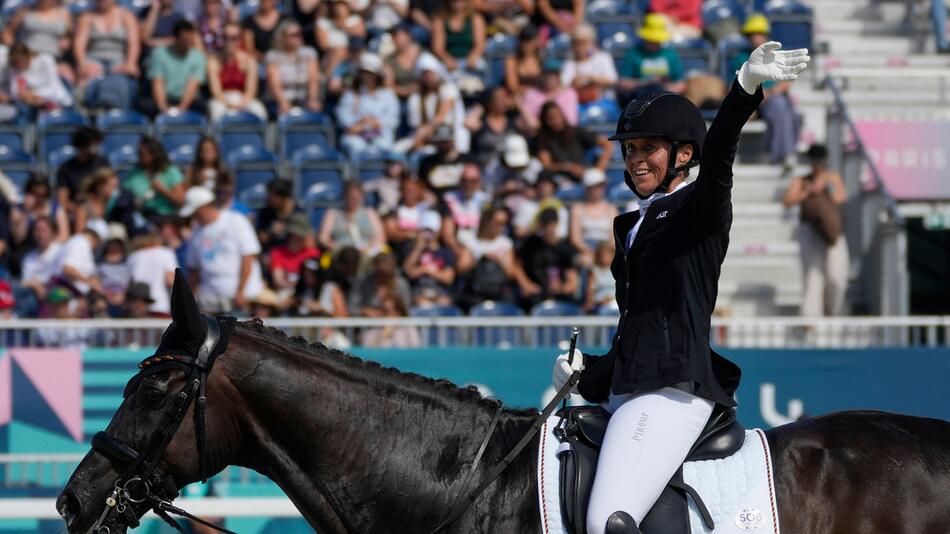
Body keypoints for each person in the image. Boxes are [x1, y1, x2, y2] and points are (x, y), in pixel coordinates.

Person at [550, 41, 809, 534]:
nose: (635, 159)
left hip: (670, 393)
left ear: (684, 153)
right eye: (630, 150)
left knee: (609, 520)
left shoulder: (699, 210)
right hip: (628, 390)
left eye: (647, 148)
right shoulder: (631, 224)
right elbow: (640, 328)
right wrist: (587, 374)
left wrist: (743, 90)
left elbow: (721, 160)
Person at [782, 144, 849, 317]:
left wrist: (825, 186)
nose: (816, 164)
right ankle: (811, 319)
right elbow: (788, 201)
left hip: (832, 232)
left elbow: (840, 197)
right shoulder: (801, 180)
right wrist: (808, 192)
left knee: (837, 277)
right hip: (810, 230)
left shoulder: (832, 178)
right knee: (813, 276)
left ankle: (834, 312)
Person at [731, 15, 800, 169]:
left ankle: (780, 154)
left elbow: (787, 81)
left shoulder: (776, 56)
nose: (756, 38)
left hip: (771, 99)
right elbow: (735, 84)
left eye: (759, 34)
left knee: (792, 112)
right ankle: (782, 155)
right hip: (750, 101)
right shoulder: (740, 58)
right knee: (781, 106)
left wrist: (769, 93)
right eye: (752, 34)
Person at [181, 185, 264, 313]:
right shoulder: (196, 232)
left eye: (195, 211)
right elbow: (194, 271)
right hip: (211, 301)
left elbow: (248, 257)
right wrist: (187, 301)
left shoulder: (235, 221)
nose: (193, 216)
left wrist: (241, 291)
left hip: (238, 299)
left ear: (204, 206)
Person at [73, 0, 141, 110]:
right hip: (94, 59)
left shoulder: (127, 16)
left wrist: (130, 63)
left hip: (119, 59)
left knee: (122, 83)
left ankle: (119, 116)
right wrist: (83, 64)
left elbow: (133, 43)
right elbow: (79, 45)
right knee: (86, 83)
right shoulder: (87, 17)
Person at [335, 53, 400, 156]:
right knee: (355, 146)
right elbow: (344, 118)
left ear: (377, 75)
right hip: (355, 136)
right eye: (364, 72)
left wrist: (374, 123)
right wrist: (360, 124)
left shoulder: (388, 95)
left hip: (380, 135)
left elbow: (393, 120)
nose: (367, 76)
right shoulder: (351, 94)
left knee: (382, 146)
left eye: (370, 73)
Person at [142, 19, 208, 117]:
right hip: (165, 97)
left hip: (189, 100)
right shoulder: (159, 54)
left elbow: (193, 85)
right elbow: (158, 82)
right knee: (146, 106)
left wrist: (181, 109)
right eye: (184, 40)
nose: (188, 43)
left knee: (203, 107)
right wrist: (163, 108)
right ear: (176, 38)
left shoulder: (198, 57)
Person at [405, 54, 469, 152]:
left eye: (431, 74)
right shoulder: (415, 97)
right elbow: (417, 125)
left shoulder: (448, 89)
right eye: (425, 75)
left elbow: (442, 115)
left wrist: (428, 130)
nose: (428, 78)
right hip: (426, 138)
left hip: (449, 136)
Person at [516, 207, 578, 307]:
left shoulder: (565, 248)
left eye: (551, 223)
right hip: (536, 293)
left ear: (556, 223)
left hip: (558, 293)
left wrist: (562, 288)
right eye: (545, 223)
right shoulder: (531, 244)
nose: (548, 227)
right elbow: (517, 267)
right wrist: (527, 285)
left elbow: (572, 280)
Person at [617, 14, 686, 103]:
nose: (653, 42)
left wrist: (665, 89)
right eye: (651, 39)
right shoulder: (633, 54)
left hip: (665, 100)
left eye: (656, 40)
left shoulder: (671, 55)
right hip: (639, 98)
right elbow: (623, 84)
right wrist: (646, 82)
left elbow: (681, 83)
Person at [536, 101, 612, 181]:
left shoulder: (576, 131)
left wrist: (599, 169)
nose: (555, 120)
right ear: (545, 120)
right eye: (551, 117)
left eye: (557, 115)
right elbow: (547, 165)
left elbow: (607, 143)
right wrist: (569, 167)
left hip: (583, 177)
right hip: (558, 180)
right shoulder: (543, 139)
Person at [0, 0, 74, 83]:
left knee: (66, 78)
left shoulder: (64, 13)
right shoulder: (25, 11)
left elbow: (70, 36)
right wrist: (14, 50)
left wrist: (67, 42)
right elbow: (7, 33)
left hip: (54, 60)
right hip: (27, 58)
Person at [207, 22, 268, 120]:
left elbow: (250, 91)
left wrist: (241, 105)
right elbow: (216, 92)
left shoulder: (249, 60)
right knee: (217, 112)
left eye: (233, 38)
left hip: (243, 98)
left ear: (240, 39)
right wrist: (229, 105)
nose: (229, 42)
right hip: (222, 99)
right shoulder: (213, 61)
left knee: (259, 111)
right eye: (225, 37)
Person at [0, 44, 73, 121]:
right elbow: (15, 91)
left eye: (18, 62)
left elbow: (53, 89)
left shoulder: (46, 60)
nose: (17, 66)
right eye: (14, 63)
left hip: (60, 104)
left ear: (27, 56)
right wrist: (24, 96)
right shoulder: (14, 68)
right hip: (34, 107)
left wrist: (32, 94)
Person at [265, 20, 322, 115]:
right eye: (294, 35)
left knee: (315, 109)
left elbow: (313, 79)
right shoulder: (272, 56)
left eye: (300, 34)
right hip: (279, 99)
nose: (298, 37)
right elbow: (274, 84)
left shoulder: (309, 53)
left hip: (304, 98)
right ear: (282, 38)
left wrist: (312, 99)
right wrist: (282, 101)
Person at [122, 136, 187, 218]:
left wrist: (163, 190)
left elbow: (181, 201)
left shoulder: (170, 172)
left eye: (142, 154)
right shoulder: (134, 173)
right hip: (141, 216)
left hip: (165, 216)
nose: (139, 157)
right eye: (138, 153)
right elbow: (124, 194)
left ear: (154, 154)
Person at [403, 210, 457, 306]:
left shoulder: (445, 252)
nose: (428, 235)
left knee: (444, 302)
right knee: (421, 303)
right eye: (425, 230)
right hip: (419, 291)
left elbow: (448, 278)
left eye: (431, 231)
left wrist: (428, 271)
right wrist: (418, 247)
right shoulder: (413, 250)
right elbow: (408, 271)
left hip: (439, 291)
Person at [318, 180, 386, 256]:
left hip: (367, 253)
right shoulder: (333, 213)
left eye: (357, 197)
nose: (353, 200)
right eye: (350, 197)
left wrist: (368, 249)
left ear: (362, 197)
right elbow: (323, 238)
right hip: (341, 253)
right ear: (345, 196)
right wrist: (337, 248)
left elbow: (380, 238)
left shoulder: (370, 213)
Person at [561, 23, 617, 113]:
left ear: (592, 42)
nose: (579, 46)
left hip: (603, 102)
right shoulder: (569, 63)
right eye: (575, 42)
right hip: (578, 104)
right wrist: (574, 82)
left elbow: (612, 80)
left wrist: (591, 79)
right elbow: (564, 87)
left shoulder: (603, 58)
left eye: (583, 42)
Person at [440, 162, 490, 260]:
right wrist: (459, 252)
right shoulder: (450, 199)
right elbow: (447, 235)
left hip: (481, 245)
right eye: (465, 181)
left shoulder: (486, 201)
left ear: (479, 182)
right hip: (459, 247)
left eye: (473, 181)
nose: (468, 185)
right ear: (460, 181)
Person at [569, 168, 618, 267]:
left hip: (606, 249)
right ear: (587, 188)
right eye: (597, 186)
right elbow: (575, 238)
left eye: (602, 186)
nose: (601, 189)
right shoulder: (577, 209)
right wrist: (590, 251)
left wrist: (605, 252)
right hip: (585, 250)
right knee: (585, 261)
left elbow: (613, 238)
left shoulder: (611, 209)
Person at [270, 213, 320, 304]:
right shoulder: (278, 252)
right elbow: (278, 280)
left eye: (300, 236)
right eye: (294, 235)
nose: (296, 239)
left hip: (305, 293)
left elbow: (313, 280)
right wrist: (292, 287)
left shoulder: (312, 253)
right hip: (285, 291)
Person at [56, 127, 109, 214]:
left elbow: (110, 191)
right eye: (92, 145)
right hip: (75, 211)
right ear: (81, 146)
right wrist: (79, 211)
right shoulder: (66, 168)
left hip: (101, 210)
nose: (95, 148)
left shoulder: (103, 164)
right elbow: (63, 199)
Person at [126, 231, 178, 316]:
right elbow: (170, 281)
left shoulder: (133, 256)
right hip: (160, 305)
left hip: (137, 307)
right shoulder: (166, 253)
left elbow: (130, 285)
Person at [519, 57, 578, 132]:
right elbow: (527, 124)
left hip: (564, 135)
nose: (550, 77)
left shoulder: (569, 93)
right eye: (547, 73)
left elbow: (571, 122)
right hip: (538, 136)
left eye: (554, 74)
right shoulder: (531, 94)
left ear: (559, 75)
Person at [431, 0, 486, 75]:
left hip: (470, 60)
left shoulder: (475, 18)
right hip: (450, 62)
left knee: (480, 65)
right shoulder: (440, 20)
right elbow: (438, 48)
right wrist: (447, 59)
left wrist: (473, 57)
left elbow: (480, 45)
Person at [349, 251, 412, 317]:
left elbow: (406, 310)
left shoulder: (401, 284)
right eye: (380, 272)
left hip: (395, 324)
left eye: (387, 273)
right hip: (367, 324)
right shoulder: (362, 283)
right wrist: (364, 311)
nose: (383, 276)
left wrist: (392, 314)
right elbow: (352, 308)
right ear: (375, 267)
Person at [416, 124, 472, 195]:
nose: (443, 144)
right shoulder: (427, 163)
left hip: (463, 202)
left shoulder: (467, 160)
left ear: (453, 140)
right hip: (436, 203)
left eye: (446, 141)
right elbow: (420, 185)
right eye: (440, 141)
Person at [54, 221, 107, 295]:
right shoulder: (80, 242)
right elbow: (67, 269)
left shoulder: (82, 243)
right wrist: (89, 282)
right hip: (64, 293)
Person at [315, 0, 365, 76]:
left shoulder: (356, 20)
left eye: (341, 4)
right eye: (335, 5)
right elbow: (323, 45)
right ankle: (330, 78)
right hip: (331, 56)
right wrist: (340, 50)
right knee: (339, 52)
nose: (338, 8)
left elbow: (360, 36)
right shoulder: (323, 22)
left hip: (353, 54)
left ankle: (331, 77)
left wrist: (344, 27)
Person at [19, 216, 63, 302]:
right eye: (37, 230)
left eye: (44, 230)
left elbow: (59, 278)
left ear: (53, 233)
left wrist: (36, 285)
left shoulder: (60, 252)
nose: (40, 234)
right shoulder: (28, 257)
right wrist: (36, 286)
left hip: (55, 292)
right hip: (32, 294)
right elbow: (24, 282)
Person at [383, 23, 422, 101]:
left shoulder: (422, 54)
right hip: (399, 101)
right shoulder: (390, 60)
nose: (394, 39)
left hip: (422, 97)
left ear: (408, 35)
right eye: (392, 36)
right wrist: (407, 91)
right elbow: (388, 86)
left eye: (396, 35)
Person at [504, 24, 542, 98]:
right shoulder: (512, 60)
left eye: (531, 42)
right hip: (519, 97)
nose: (527, 46)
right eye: (525, 42)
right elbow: (513, 87)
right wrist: (534, 93)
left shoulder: (542, 59)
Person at [583, 240, 617, 312]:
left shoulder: (617, 270)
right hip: (600, 304)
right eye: (601, 254)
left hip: (615, 303)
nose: (603, 256)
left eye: (606, 254)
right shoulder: (594, 271)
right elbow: (590, 291)